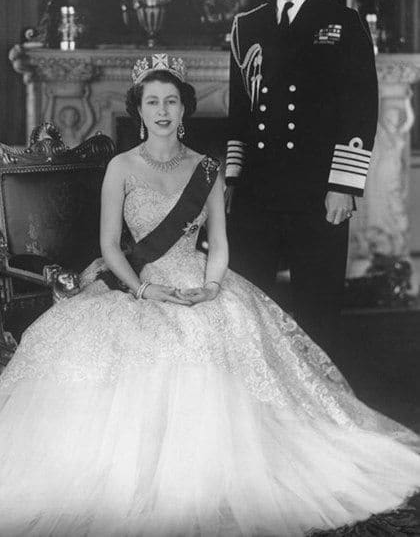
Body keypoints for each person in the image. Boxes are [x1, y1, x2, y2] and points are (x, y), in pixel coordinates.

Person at [0, 53, 418, 537]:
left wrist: (213, 287)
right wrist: (143, 289)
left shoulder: (207, 170)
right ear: (138, 109)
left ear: (184, 109)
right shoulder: (119, 167)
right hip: (138, 283)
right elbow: (110, 247)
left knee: (217, 332)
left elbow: (218, 246)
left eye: (171, 101)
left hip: (199, 279)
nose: (162, 111)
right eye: (152, 101)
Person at [225, 0, 379, 357]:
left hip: (318, 191)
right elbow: (240, 113)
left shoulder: (343, 23)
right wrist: (233, 180)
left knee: (318, 310)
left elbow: (360, 110)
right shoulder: (246, 26)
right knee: (249, 304)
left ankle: (321, 406)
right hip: (258, 192)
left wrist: (344, 186)